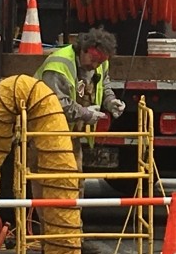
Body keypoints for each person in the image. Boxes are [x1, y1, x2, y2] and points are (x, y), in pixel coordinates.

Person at [36, 28, 124, 171]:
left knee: (74, 181)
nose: (95, 66)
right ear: (83, 50)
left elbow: (103, 84)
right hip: (45, 132)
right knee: (50, 180)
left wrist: (110, 101)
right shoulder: (59, 65)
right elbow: (55, 103)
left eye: (100, 62)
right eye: (93, 60)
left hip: (69, 133)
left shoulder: (101, 63)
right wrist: (86, 114)